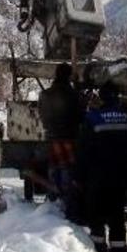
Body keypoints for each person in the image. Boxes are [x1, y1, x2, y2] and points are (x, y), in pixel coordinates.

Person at [75, 81, 127, 252]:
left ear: (101, 97)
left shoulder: (92, 118)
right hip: (119, 178)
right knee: (117, 218)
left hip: (97, 178)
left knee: (97, 220)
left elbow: (83, 151)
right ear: (118, 96)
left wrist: (78, 177)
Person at [38, 63, 83, 201]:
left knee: (53, 167)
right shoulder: (74, 95)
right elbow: (80, 116)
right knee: (66, 168)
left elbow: (41, 114)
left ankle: (53, 198)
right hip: (69, 136)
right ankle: (65, 199)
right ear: (69, 76)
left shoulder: (44, 94)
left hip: (51, 136)